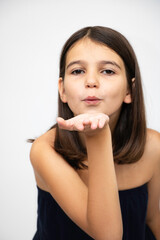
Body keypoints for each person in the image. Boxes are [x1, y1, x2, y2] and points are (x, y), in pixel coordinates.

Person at [29, 26, 160, 240]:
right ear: (62, 90)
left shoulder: (153, 145)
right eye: (77, 71)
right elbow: (107, 236)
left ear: (129, 90)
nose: (91, 81)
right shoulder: (45, 150)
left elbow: (153, 219)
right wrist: (98, 135)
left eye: (107, 71)